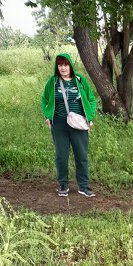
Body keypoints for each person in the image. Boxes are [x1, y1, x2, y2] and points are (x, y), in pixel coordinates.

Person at [41, 52, 97, 198]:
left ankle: (83, 186)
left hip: (78, 124)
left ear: (70, 66)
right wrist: (48, 115)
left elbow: (91, 99)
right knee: (61, 155)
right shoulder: (52, 82)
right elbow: (44, 99)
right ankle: (63, 185)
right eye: (60, 65)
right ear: (57, 67)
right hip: (59, 124)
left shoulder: (80, 80)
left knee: (81, 155)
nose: (63, 68)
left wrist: (89, 117)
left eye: (65, 64)